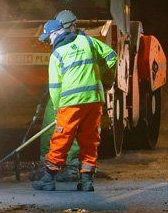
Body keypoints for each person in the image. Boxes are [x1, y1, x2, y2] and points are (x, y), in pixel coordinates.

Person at [33, 17, 118, 191]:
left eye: (49, 38)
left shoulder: (57, 54)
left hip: (71, 103)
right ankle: (86, 182)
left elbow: (55, 87)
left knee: (61, 139)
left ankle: (48, 179)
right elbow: (112, 57)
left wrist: (57, 108)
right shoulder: (88, 41)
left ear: (56, 33)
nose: (49, 42)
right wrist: (99, 77)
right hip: (94, 100)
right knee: (90, 140)